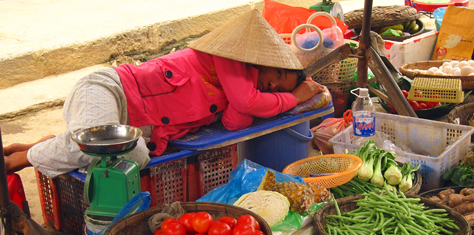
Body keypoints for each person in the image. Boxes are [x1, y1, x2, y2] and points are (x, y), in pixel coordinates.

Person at [4, 10, 325, 178]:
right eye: (277, 77)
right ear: (263, 59)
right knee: (100, 144)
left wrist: (265, 97)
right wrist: (293, 98)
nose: (272, 87)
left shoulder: (240, 88)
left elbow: (235, 123)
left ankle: (50, 144)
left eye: (279, 90)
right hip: (109, 89)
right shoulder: (230, 59)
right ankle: (21, 159)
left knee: (133, 159)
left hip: (133, 134)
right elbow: (246, 103)